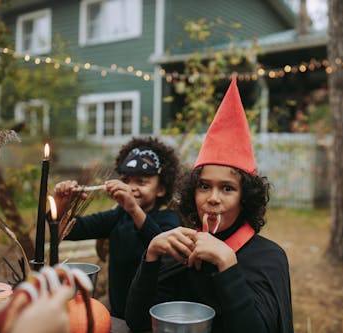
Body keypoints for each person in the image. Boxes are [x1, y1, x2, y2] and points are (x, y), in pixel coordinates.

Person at [125, 78, 294, 333]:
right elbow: (138, 323)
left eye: (227, 188)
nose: (212, 198)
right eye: (204, 186)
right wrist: (151, 257)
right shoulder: (181, 251)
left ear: (245, 196)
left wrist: (227, 263)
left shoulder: (268, 258)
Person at [53, 136, 182, 319]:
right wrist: (60, 205)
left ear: (161, 189)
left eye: (141, 182)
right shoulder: (118, 217)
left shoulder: (169, 219)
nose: (130, 187)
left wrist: (133, 208)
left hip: (153, 319)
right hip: (118, 316)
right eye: (126, 180)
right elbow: (71, 231)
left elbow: (163, 246)